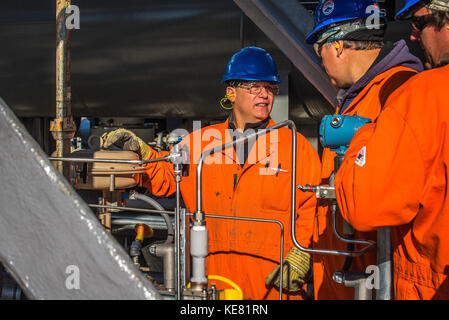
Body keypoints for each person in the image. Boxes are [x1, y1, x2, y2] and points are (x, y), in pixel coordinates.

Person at [101, 47, 321, 300]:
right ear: (231, 92)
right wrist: (141, 150)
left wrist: (302, 252)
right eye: (254, 87)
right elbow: (164, 177)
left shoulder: (296, 147)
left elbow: (312, 208)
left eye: (270, 88)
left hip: (273, 279)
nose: (264, 95)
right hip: (211, 276)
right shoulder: (200, 142)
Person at [303, 0, 423, 299]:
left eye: (320, 51)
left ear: (338, 45)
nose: (321, 61)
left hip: (373, 277)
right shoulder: (359, 96)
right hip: (346, 272)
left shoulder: (397, 93)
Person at [335, 0, 449, 299]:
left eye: (419, 23)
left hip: (432, 284)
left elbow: (366, 205)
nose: (413, 36)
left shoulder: (424, 94)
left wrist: (365, 135)